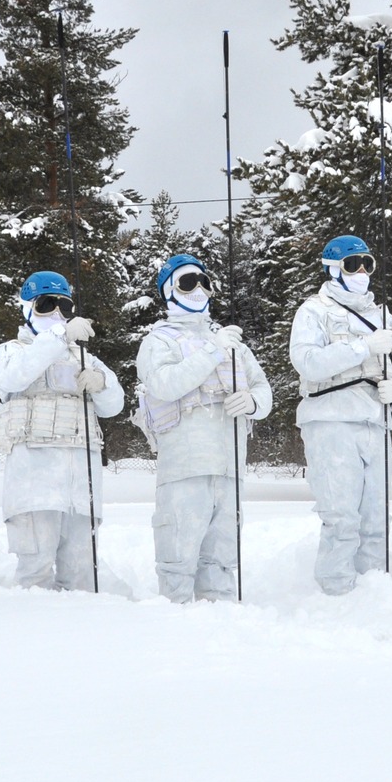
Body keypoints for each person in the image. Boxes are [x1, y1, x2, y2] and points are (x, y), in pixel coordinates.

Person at [133, 253, 272, 602]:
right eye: (187, 282)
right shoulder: (159, 341)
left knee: (223, 559)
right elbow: (165, 384)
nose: (198, 289)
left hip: (229, 467)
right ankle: (175, 626)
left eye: (203, 281)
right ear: (169, 291)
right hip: (185, 466)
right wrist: (211, 350)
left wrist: (254, 402)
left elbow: (263, 386)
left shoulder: (229, 341)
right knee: (178, 554)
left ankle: (221, 626)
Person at [288, 234, 392, 595]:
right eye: (352, 264)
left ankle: (372, 590)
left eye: (367, 264)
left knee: (375, 517)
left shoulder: (384, 316)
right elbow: (307, 361)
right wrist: (362, 348)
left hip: (374, 421)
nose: (362, 271)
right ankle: (336, 590)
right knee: (341, 515)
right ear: (333, 269)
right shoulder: (314, 310)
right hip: (331, 419)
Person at [0, 270, 124, 590]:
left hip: (81, 486)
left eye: (64, 306)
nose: (57, 314)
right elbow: (11, 379)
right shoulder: (11, 352)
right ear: (27, 309)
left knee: (81, 575)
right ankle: (36, 633)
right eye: (47, 305)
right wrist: (59, 336)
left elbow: (114, 405)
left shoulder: (83, 357)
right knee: (34, 569)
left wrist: (101, 384)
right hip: (34, 482)